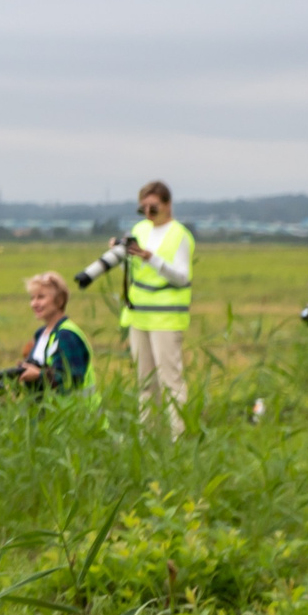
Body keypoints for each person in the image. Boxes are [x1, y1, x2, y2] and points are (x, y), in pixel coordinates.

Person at [118, 181, 194, 436]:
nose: (148, 214)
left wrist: (152, 258)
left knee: (170, 380)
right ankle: (147, 435)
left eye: (154, 208)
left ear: (167, 205)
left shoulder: (179, 234)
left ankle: (178, 437)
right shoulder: (140, 229)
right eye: (144, 209)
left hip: (166, 317)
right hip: (139, 315)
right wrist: (122, 256)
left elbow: (182, 277)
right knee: (145, 382)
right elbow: (133, 272)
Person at [8, 271, 94, 395]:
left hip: (74, 411)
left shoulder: (66, 335)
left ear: (59, 300)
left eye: (41, 297)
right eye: (32, 298)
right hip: (49, 411)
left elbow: (71, 378)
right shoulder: (41, 334)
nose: (34, 303)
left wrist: (38, 375)